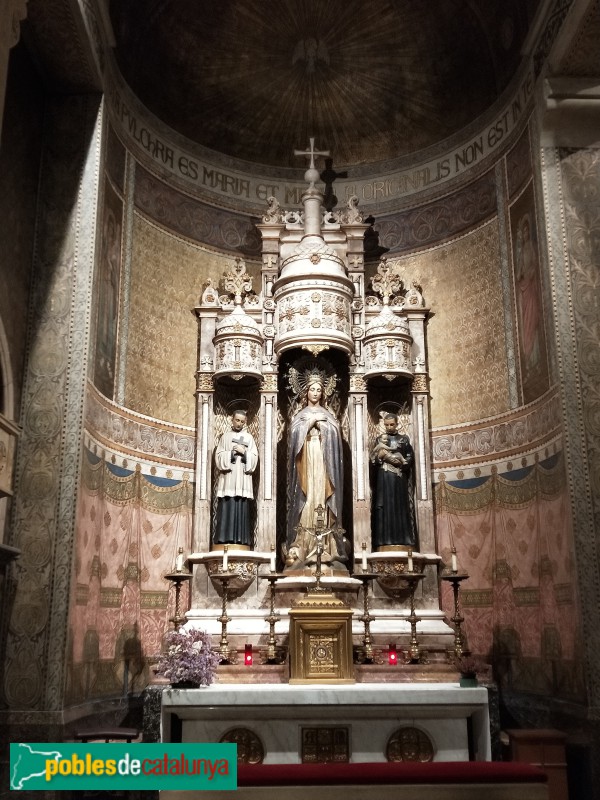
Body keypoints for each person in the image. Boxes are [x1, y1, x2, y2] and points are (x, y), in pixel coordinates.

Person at [287, 374, 344, 555]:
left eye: (319, 390)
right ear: (306, 391)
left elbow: (336, 436)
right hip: (306, 459)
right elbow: (293, 435)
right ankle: (302, 543)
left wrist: (324, 428)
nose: (315, 393)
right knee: (308, 496)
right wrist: (309, 424)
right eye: (312, 389)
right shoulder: (300, 415)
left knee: (321, 495)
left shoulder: (328, 415)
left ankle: (327, 545)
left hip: (323, 459)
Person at [370, 413, 417, 549]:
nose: (389, 427)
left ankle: (403, 538)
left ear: (397, 424)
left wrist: (403, 463)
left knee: (400, 507)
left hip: (398, 479)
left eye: (392, 424)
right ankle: (383, 540)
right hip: (384, 479)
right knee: (384, 507)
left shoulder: (403, 439)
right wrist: (380, 459)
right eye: (386, 425)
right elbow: (373, 459)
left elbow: (409, 456)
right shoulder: (380, 439)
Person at [213, 410, 258, 547]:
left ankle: (242, 540)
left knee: (241, 506)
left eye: (242, 421)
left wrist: (244, 453)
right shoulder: (225, 437)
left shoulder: (249, 438)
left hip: (243, 480)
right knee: (227, 504)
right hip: (228, 479)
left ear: (245, 422)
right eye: (237, 420)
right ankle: (223, 539)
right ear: (231, 420)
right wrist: (231, 453)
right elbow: (218, 457)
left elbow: (254, 459)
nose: (239, 424)